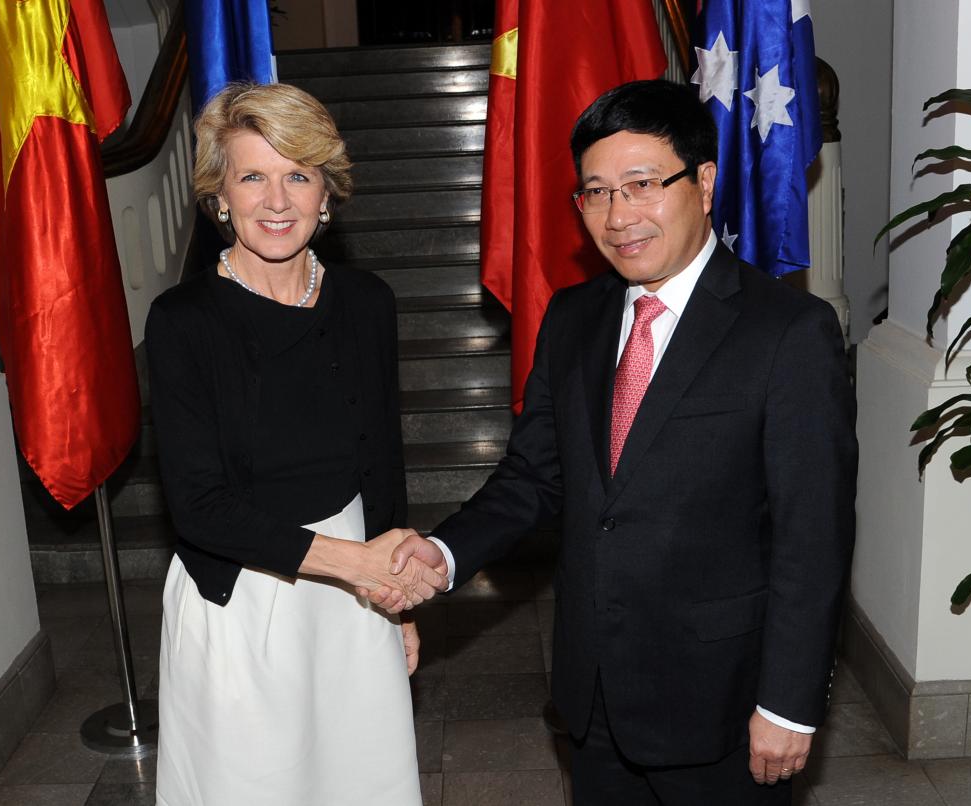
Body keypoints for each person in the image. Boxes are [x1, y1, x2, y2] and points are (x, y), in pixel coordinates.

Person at [385, 79, 858, 805]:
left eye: (641, 185)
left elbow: (812, 535)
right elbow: (534, 478)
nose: (617, 216)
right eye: (595, 193)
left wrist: (789, 702)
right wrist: (444, 552)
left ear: (704, 181)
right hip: (593, 694)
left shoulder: (787, 333)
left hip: (723, 705)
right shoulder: (573, 317)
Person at [145, 82, 445, 806]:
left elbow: (382, 462)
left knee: (361, 780)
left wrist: (393, 603)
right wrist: (359, 567)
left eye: (298, 176)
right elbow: (199, 507)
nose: (276, 200)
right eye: (253, 176)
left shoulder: (368, 301)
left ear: (326, 195)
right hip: (241, 598)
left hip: (354, 602)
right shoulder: (182, 321)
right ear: (220, 195)